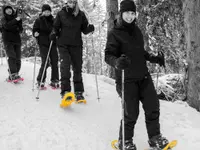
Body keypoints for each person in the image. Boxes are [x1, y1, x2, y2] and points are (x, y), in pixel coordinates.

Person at [105, 0, 169, 150]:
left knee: (153, 106)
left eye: (133, 13)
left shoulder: (137, 31)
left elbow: (141, 52)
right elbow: (108, 55)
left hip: (143, 76)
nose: (130, 16)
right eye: (127, 13)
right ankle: (125, 141)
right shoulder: (114, 33)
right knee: (131, 113)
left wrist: (154, 58)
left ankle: (155, 138)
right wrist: (117, 62)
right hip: (126, 80)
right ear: (121, 13)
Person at [50, 0, 95, 100]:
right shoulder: (61, 13)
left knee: (77, 68)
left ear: (75, 3)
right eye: (69, 2)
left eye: (73, 2)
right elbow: (55, 27)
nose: (71, 4)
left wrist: (90, 28)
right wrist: (53, 33)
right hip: (63, 44)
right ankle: (66, 92)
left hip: (76, 45)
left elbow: (84, 30)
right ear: (66, 2)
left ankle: (78, 92)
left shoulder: (81, 14)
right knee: (65, 67)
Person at [32, 4, 59, 88]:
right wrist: (35, 33)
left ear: (50, 12)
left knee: (54, 62)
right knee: (45, 62)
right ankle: (40, 80)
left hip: (52, 43)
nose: (47, 13)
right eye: (45, 11)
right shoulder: (39, 20)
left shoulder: (54, 20)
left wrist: (56, 34)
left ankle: (54, 80)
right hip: (43, 43)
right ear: (42, 12)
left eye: (48, 11)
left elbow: (57, 29)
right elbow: (35, 29)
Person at [0, 5, 23, 80]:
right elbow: (6, 26)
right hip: (8, 41)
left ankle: (16, 74)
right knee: (12, 57)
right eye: (7, 10)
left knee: (18, 58)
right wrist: (15, 21)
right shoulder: (3, 19)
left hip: (17, 40)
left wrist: (19, 23)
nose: (9, 11)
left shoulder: (16, 18)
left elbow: (20, 29)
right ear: (5, 12)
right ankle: (13, 74)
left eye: (10, 9)